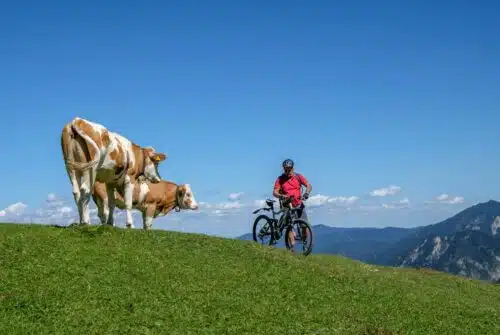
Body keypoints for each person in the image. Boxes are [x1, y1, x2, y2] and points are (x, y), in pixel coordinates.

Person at [273, 158, 312, 251]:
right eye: (285, 169)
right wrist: (282, 195)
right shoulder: (280, 179)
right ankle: (292, 247)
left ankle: (305, 243)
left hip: (298, 203)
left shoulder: (298, 177)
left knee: (304, 225)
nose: (287, 171)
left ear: (293, 168)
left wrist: (306, 193)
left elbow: (308, 185)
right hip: (287, 204)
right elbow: (275, 192)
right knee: (289, 225)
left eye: (289, 169)